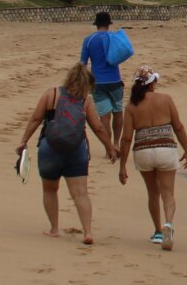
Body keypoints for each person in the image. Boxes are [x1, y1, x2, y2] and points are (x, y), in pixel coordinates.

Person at [15, 61, 118, 245]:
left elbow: (36, 119)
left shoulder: (52, 93)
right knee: (80, 193)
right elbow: (98, 128)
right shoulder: (85, 100)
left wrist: (23, 141)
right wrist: (109, 147)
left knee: (50, 189)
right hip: (76, 150)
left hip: (49, 148)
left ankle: (54, 229)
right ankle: (87, 232)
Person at [115, 68, 187, 250]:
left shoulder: (131, 106)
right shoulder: (166, 99)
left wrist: (122, 166)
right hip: (165, 148)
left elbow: (126, 138)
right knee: (168, 194)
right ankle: (169, 225)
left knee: (153, 193)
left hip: (143, 151)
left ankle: (157, 232)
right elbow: (178, 127)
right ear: (152, 83)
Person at [80, 11, 133, 149]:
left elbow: (83, 64)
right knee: (118, 112)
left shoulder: (89, 40)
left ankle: (108, 147)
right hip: (115, 81)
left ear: (96, 24)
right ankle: (116, 143)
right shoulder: (113, 38)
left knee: (104, 116)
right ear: (108, 25)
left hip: (98, 83)